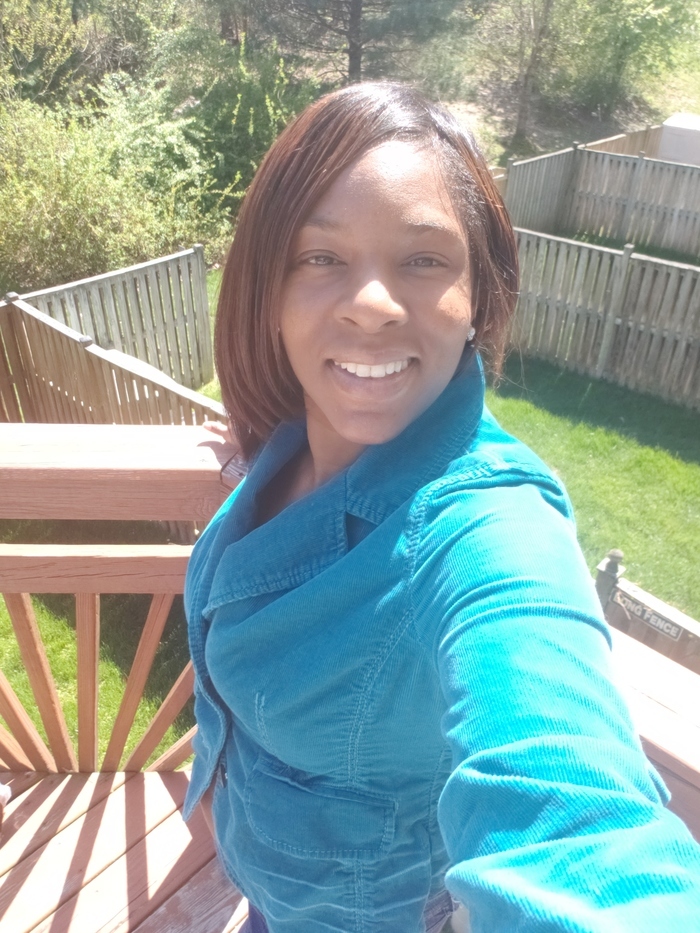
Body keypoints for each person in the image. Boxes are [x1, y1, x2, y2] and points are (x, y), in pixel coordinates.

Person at [184, 83, 700, 932]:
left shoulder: (488, 533)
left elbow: (578, 832)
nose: (371, 303)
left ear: (480, 297)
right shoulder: (290, 441)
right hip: (266, 897)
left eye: (424, 260)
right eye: (320, 257)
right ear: (268, 290)